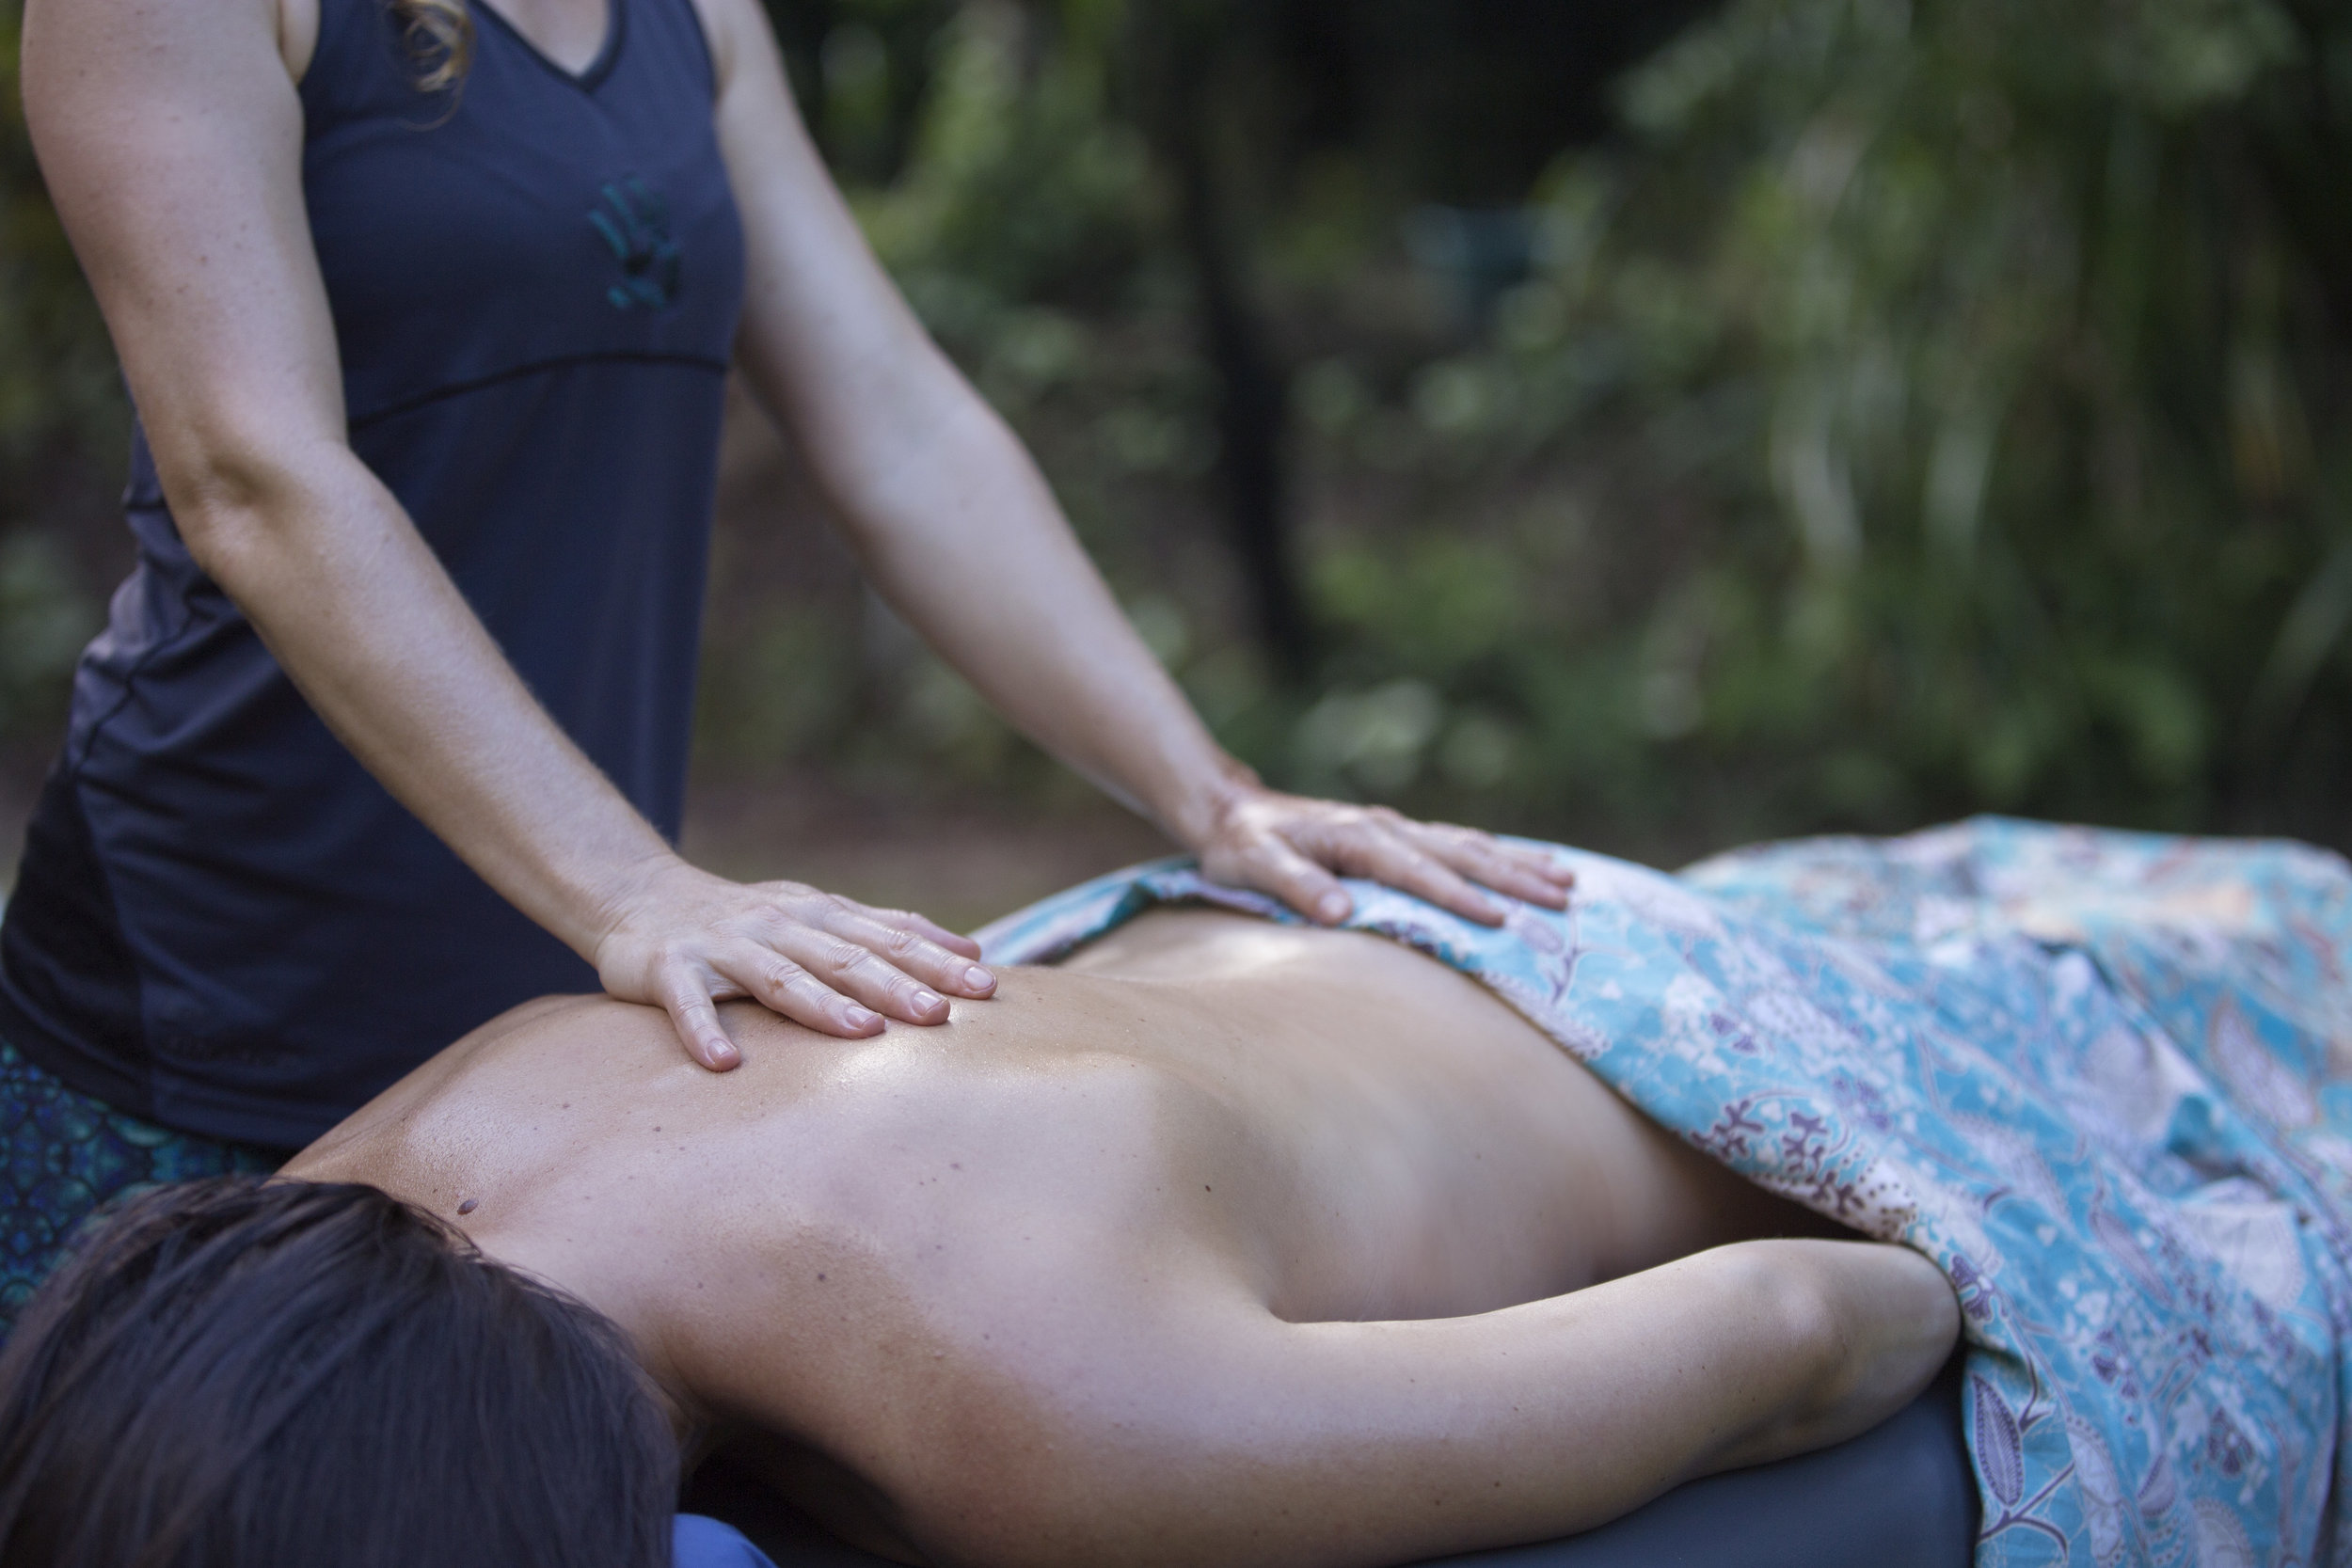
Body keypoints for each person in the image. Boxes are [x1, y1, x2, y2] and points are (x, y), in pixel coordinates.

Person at [0, 0, 1574, 1324]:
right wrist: (640, 890)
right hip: (193, 1030)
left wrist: (1210, 795)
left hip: (548, 1055)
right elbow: (255, 475)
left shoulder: (696, 14)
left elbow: (898, 424)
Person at [1, 864, 1967, 1568]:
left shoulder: (1035, 1408)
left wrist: (1969, 1276)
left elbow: (1799, 1326)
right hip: (1241, 960)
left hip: (1666, 1034)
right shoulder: (318, 1217)